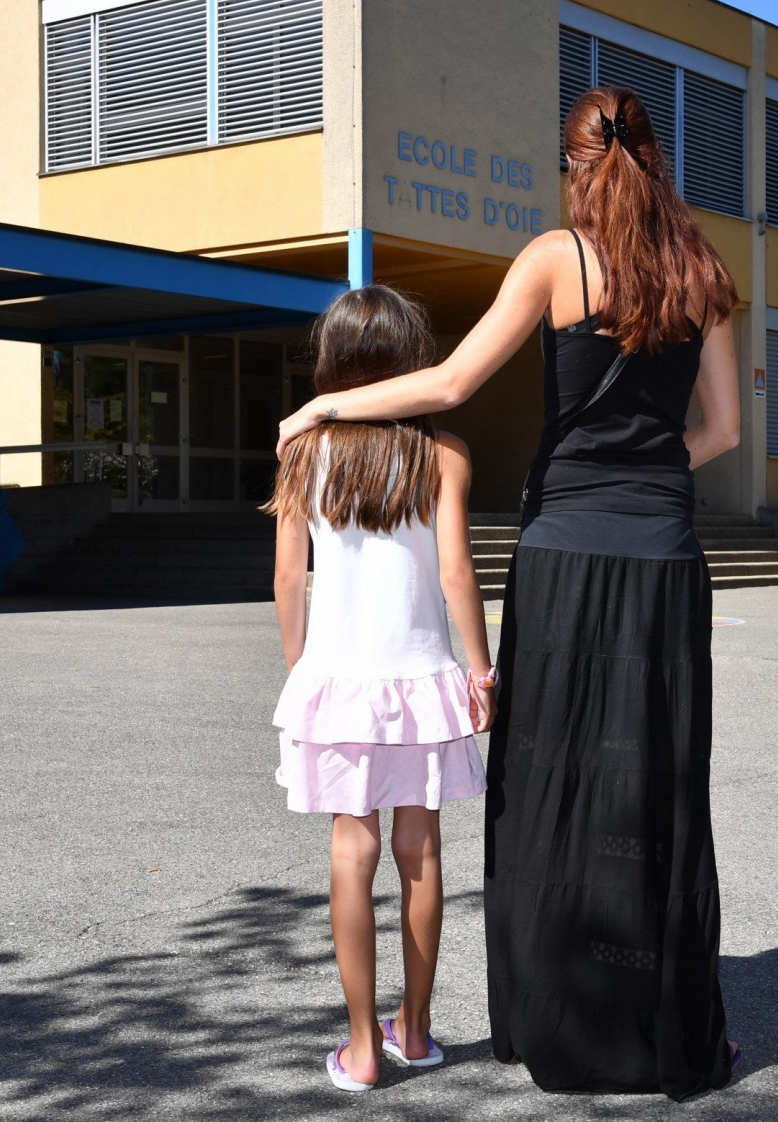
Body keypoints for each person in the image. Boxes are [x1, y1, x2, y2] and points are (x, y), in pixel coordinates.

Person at [277, 86, 743, 1099]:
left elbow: (446, 386)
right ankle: (660, 1026)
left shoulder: (552, 261)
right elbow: (725, 433)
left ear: (577, 167)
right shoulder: (701, 269)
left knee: (554, 783)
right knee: (657, 779)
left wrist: (327, 400)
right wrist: (652, 476)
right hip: (662, 552)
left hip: (564, 551)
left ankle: (558, 1018)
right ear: (656, 163)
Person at [265, 285, 498, 1093]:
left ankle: (362, 1048)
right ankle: (419, 1029)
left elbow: (289, 576)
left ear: (332, 363)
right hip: (423, 679)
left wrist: (303, 666)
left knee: (350, 849)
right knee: (421, 850)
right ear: (412, 361)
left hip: (338, 679)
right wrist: (481, 668)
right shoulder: (445, 453)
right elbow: (455, 570)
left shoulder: (302, 453)